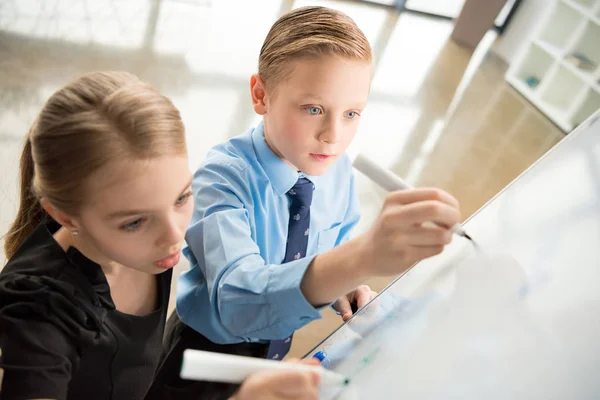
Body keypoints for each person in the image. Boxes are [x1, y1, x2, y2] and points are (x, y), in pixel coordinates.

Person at [157, 5, 462, 395]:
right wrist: (361, 258)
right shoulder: (222, 179)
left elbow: (329, 247)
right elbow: (236, 301)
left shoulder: (333, 171)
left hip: (274, 347)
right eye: (313, 109)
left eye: (352, 113)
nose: (333, 135)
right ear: (260, 94)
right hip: (202, 353)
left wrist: (344, 283)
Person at [0, 71, 321, 400]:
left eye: (182, 197)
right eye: (135, 222)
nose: (174, 235)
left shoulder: (145, 239)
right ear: (64, 216)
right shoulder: (37, 308)